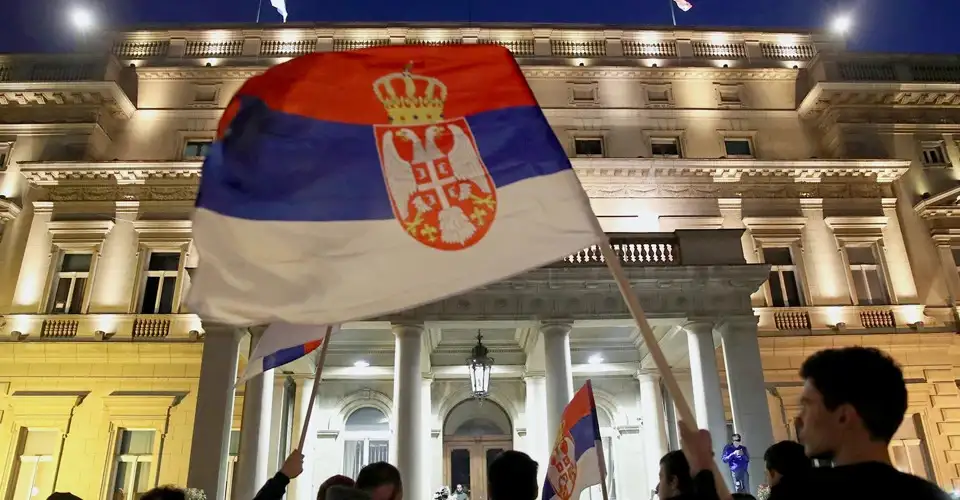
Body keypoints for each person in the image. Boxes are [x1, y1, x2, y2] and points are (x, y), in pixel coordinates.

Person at [768, 347, 950, 499]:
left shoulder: (798, 494)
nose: (800, 418)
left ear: (843, 416)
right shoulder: (931, 495)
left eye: (808, 405)